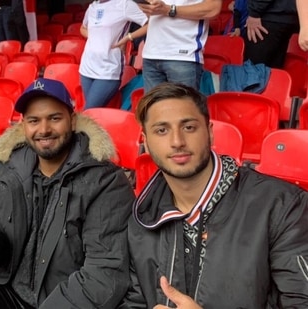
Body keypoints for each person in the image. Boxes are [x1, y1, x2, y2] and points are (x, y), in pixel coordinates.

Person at [0, 77, 135, 308]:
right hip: (7, 288)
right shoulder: (12, 170)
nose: (44, 129)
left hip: (62, 302)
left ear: (72, 120)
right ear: (23, 125)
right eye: (34, 120)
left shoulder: (105, 181)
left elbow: (104, 274)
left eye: (55, 118)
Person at [121, 82, 308, 308]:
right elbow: (134, 301)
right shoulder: (143, 216)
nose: (177, 141)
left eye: (189, 127)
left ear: (210, 133)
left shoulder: (282, 206)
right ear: (146, 143)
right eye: (162, 130)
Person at [136, 0, 221, 92]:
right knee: (152, 106)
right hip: (151, 52)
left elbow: (213, 8)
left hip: (183, 54)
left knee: (182, 105)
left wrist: (169, 9)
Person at [79, 0, 147, 109]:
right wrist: (96, 37)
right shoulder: (92, 7)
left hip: (108, 69)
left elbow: (149, 23)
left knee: (89, 111)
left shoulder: (124, 4)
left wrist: (128, 37)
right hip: (86, 67)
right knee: (95, 112)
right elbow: (82, 28)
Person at [242, 0, 299, 68]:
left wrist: (254, 13)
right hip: (290, 17)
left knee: (253, 69)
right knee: (275, 69)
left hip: (269, 17)